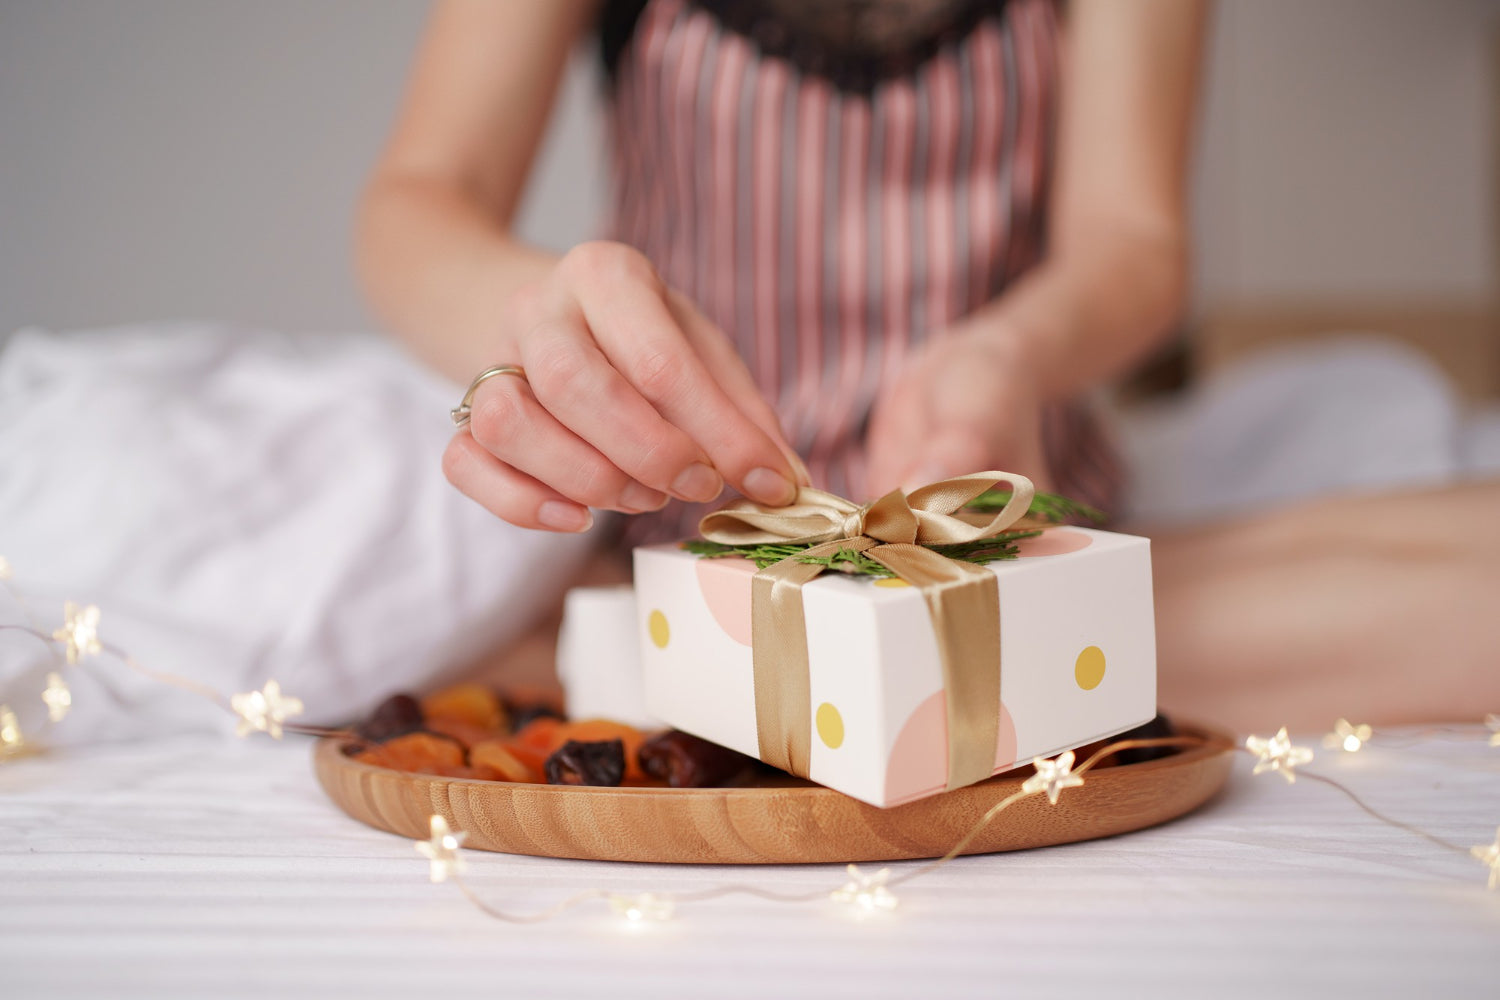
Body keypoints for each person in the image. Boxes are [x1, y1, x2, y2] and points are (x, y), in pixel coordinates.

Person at [358, 0, 1500, 734]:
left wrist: (1011, 353)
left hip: (1025, 530)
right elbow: (418, 201)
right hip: (685, 549)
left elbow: (1137, 245)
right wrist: (544, 325)